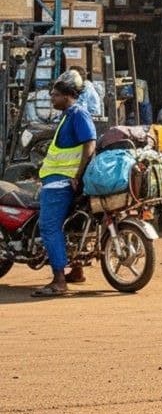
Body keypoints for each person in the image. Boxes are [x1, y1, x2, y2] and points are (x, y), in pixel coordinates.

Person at [32, 71, 97, 297]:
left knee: (49, 227)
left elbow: (89, 145)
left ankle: (59, 281)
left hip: (60, 184)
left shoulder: (78, 114)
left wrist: (77, 175)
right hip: (57, 181)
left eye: (55, 94)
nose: (52, 98)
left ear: (68, 96)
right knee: (68, 226)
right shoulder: (68, 115)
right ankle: (76, 270)